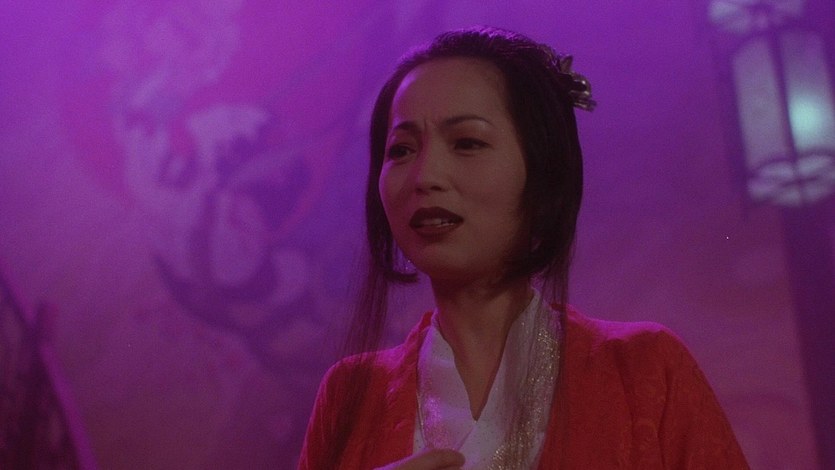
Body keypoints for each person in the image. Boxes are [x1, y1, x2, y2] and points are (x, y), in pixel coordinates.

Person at [298, 26, 749, 469]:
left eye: (467, 143)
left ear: (542, 171)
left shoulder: (643, 368)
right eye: (401, 150)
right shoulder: (350, 394)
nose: (425, 175)